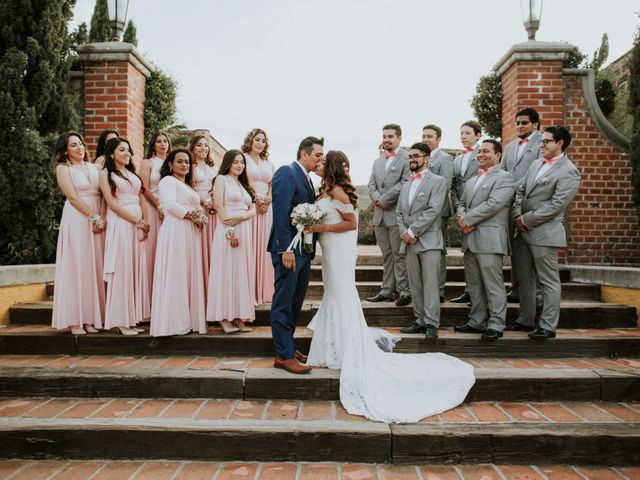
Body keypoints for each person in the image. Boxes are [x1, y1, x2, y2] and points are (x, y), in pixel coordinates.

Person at [306, 151, 475, 423]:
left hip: (339, 250)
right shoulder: (326, 189)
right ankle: (330, 347)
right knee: (332, 294)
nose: (320, 164)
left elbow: (351, 224)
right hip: (329, 249)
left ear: (333, 167)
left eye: (325, 162)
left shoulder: (339, 191)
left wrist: (320, 227)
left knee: (341, 294)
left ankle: (343, 348)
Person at [512, 126, 581, 340]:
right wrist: (517, 213)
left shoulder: (569, 171)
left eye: (546, 141)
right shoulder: (535, 164)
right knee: (525, 278)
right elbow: (520, 190)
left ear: (559, 143)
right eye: (541, 141)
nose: (541, 145)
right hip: (522, 230)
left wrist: (526, 219)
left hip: (545, 232)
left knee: (548, 281)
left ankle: (548, 326)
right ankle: (525, 319)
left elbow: (556, 205)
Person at [268, 136, 324, 374]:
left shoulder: (308, 179)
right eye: (317, 155)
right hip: (289, 250)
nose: (321, 159)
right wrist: (285, 249)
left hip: (303, 250)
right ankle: (283, 355)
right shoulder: (286, 172)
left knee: (295, 301)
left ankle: (288, 347)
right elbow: (280, 213)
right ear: (304, 153)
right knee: (283, 302)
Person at [454, 140, 515, 341]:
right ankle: (477, 320)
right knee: (474, 284)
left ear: (498, 155)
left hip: (489, 238)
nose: (480, 154)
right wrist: (462, 218)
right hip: (470, 238)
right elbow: (461, 203)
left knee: (493, 284)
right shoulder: (472, 181)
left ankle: (496, 323)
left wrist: (468, 219)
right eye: (479, 151)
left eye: (485, 151)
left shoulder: (505, 178)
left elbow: (494, 204)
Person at [51, 132, 106, 335]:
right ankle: (75, 320)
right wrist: (93, 216)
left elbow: (105, 194)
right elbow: (72, 197)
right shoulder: (63, 169)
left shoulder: (96, 168)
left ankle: (90, 318)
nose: (80, 147)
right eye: (74, 145)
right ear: (65, 150)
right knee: (77, 265)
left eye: (81, 143)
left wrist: (101, 217)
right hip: (77, 217)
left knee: (93, 266)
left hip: (98, 218)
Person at [151, 149, 207, 337]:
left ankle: (188, 319)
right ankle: (174, 321)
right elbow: (169, 205)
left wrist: (200, 217)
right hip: (175, 229)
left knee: (187, 273)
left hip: (189, 231)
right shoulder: (167, 181)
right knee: (176, 272)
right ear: (170, 164)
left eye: (187, 162)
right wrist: (192, 214)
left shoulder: (188, 186)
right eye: (180, 161)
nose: (185, 165)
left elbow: (196, 205)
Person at [99, 137, 150, 335]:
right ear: (112, 154)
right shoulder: (105, 174)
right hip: (121, 224)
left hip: (137, 224)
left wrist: (145, 222)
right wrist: (135, 220)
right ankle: (121, 321)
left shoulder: (132, 174)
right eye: (122, 150)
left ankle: (132, 317)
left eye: (128, 150)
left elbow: (141, 198)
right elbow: (111, 203)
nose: (127, 153)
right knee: (122, 269)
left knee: (134, 269)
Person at [397, 143, 447, 339]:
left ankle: (432, 323)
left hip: (429, 241)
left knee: (430, 283)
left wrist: (412, 230)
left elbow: (434, 210)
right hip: (409, 242)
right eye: (410, 157)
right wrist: (404, 232)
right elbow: (399, 212)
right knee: (415, 283)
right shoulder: (406, 185)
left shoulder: (438, 181)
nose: (412, 160)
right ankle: (419, 320)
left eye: (415, 156)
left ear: (427, 158)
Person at [207, 150, 257, 334]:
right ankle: (223, 317)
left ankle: (238, 315)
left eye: (242, 162)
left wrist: (243, 216)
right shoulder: (221, 179)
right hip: (228, 229)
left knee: (240, 272)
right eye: (236, 162)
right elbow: (219, 206)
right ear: (228, 163)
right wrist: (230, 231)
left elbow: (253, 209)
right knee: (226, 271)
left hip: (244, 229)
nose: (239, 165)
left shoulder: (242, 184)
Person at [501, 107, 543, 305]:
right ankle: (516, 288)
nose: (519, 126)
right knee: (516, 250)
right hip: (511, 203)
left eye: (524, 122)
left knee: (534, 250)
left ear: (535, 124)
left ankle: (539, 292)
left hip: (532, 202)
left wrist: (512, 189)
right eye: (517, 123)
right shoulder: (510, 147)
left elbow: (536, 172)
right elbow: (502, 172)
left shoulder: (543, 143)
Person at [366, 124, 411, 306]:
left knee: (399, 255)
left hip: (395, 214)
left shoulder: (407, 158)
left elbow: (405, 182)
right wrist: (377, 198)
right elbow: (371, 185)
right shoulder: (378, 161)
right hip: (380, 216)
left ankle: (404, 291)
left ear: (399, 138)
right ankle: (386, 291)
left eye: (390, 136)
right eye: (384, 136)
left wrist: (385, 199)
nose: (386, 139)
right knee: (387, 255)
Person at [450, 120, 482, 304]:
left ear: (478, 135)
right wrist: (459, 210)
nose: (463, 136)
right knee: (468, 254)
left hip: (478, 213)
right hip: (462, 212)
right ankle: (469, 290)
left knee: (479, 254)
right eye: (461, 133)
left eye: (468, 133)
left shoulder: (483, 153)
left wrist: (472, 215)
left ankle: (479, 294)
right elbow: (454, 187)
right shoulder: (457, 159)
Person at [242, 128, 276, 305]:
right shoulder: (243, 159)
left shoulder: (268, 163)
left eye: (263, 140)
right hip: (250, 206)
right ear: (250, 140)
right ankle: (250, 291)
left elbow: (272, 184)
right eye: (257, 139)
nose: (260, 143)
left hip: (266, 208)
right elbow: (241, 182)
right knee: (250, 246)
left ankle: (265, 291)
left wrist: (267, 200)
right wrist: (257, 200)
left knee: (265, 247)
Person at [422, 124, 454, 303]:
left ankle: (439, 290)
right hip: (420, 213)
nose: (426, 139)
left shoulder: (445, 159)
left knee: (438, 251)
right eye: (424, 136)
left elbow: (446, 184)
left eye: (429, 136)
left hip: (439, 211)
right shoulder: (420, 157)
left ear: (438, 139)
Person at [139, 131, 171, 304]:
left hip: (170, 211)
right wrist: (158, 205)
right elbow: (143, 187)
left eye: (165, 141)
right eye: (159, 141)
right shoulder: (147, 163)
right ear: (153, 144)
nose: (162, 144)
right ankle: (150, 299)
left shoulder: (171, 163)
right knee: (152, 250)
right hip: (153, 209)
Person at [189, 134, 218, 293]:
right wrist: (204, 201)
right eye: (200, 145)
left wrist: (214, 201)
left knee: (212, 248)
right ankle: (200, 287)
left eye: (206, 145)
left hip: (213, 211)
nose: (203, 148)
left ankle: (211, 286)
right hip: (199, 208)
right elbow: (189, 189)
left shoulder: (212, 168)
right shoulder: (191, 167)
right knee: (200, 247)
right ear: (193, 147)